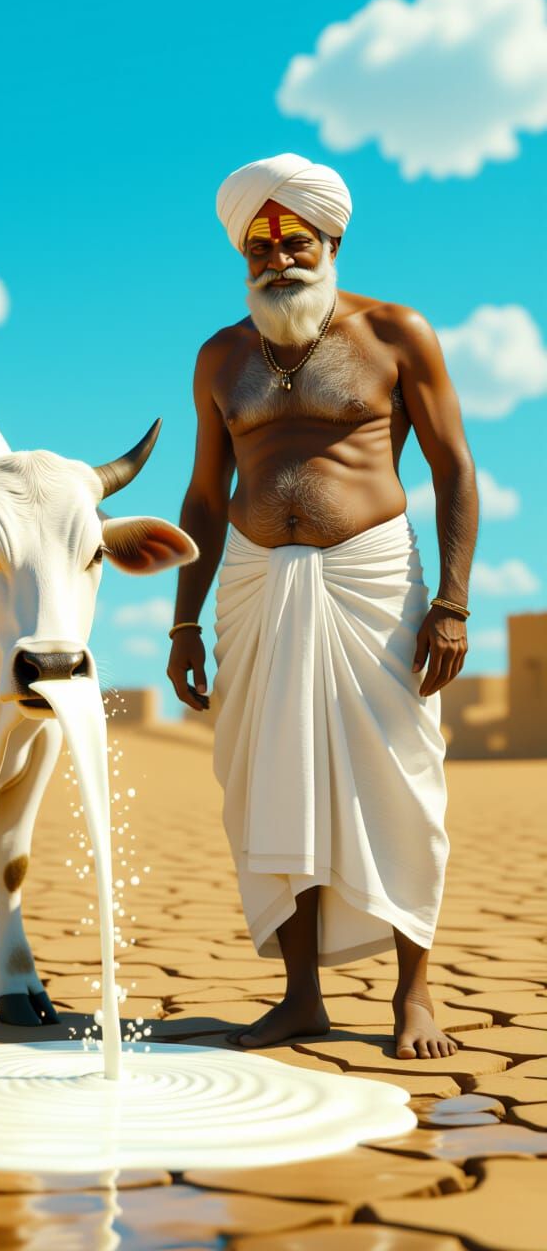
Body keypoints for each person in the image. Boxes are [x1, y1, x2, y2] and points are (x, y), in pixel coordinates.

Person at [167, 152, 478, 1060]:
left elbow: (454, 469)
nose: (277, 261)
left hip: (371, 580)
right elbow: (201, 494)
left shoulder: (395, 334)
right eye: (258, 249)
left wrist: (452, 602)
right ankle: (302, 996)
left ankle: (414, 997)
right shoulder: (222, 356)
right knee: (273, 780)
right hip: (257, 583)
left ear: (330, 239)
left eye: (294, 242)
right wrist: (185, 620)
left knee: (402, 781)